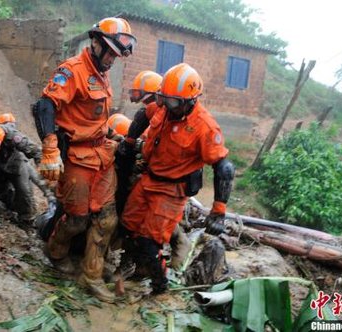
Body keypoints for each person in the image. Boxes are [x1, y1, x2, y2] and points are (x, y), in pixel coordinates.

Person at [32, 17, 136, 303]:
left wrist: (114, 135)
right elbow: (45, 106)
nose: (113, 60)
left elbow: (95, 117)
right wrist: (50, 149)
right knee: (77, 220)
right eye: (111, 53)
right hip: (77, 158)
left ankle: (92, 275)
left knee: (106, 220)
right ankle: (55, 251)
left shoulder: (102, 73)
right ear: (97, 43)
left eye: (117, 56)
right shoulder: (72, 71)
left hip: (102, 156)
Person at [121, 63, 235, 294]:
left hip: (171, 190)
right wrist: (130, 142)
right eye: (165, 99)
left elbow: (224, 168)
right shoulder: (165, 107)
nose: (167, 106)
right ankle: (139, 268)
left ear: (190, 100)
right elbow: (144, 113)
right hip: (149, 178)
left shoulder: (204, 127)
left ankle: (159, 285)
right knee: (127, 226)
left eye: (173, 102)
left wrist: (218, 211)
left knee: (148, 240)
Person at [0, 113, 50, 198]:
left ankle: (49, 194)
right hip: (6, 164)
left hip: (15, 162)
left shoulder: (12, 137)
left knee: (29, 183)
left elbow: (32, 149)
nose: (10, 128)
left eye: (11, 126)